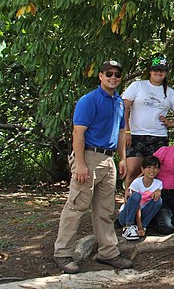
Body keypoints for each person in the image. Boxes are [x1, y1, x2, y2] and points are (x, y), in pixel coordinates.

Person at [53, 60, 134, 273]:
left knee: (105, 210)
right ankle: (62, 253)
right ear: (100, 76)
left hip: (108, 160)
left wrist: (122, 159)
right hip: (88, 157)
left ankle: (108, 252)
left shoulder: (118, 102)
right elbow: (78, 133)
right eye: (109, 73)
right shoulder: (89, 100)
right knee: (77, 206)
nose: (113, 77)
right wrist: (80, 164)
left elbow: (120, 132)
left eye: (117, 74)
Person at [122, 54, 174, 192]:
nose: (159, 72)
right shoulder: (138, 85)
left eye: (162, 70)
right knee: (133, 170)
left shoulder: (170, 93)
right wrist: (126, 130)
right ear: (150, 71)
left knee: (154, 172)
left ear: (166, 72)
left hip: (158, 137)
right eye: (156, 69)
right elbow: (124, 106)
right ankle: (128, 201)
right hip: (136, 134)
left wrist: (172, 123)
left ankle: (148, 202)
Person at [118, 155, 163, 241]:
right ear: (142, 169)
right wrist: (140, 226)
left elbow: (157, 195)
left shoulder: (158, 183)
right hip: (127, 215)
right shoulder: (137, 182)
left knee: (159, 201)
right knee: (136, 196)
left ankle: (144, 226)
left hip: (142, 214)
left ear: (158, 170)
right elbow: (137, 205)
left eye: (155, 168)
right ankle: (128, 226)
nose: (152, 170)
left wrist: (158, 191)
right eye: (148, 167)